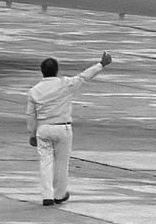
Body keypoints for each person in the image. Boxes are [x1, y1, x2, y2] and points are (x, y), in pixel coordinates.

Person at [26, 51, 113, 206]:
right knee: (61, 163)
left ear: (42, 71)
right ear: (57, 70)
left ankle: (47, 195)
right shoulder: (65, 83)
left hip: (43, 128)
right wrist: (101, 64)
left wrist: (32, 133)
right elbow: (84, 76)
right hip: (62, 127)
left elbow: (30, 115)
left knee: (45, 162)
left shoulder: (34, 91)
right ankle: (59, 194)